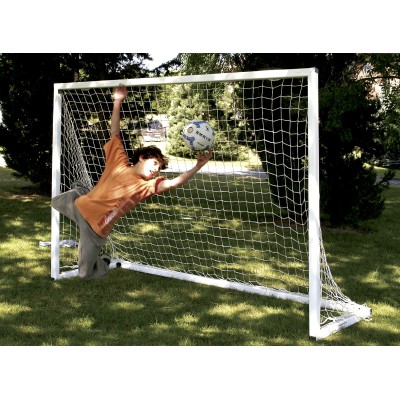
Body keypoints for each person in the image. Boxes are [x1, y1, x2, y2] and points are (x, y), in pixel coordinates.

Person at [51, 84, 213, 280]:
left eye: (159, 169)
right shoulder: (118, 162)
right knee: (55, 201)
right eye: (154, 163)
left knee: (85, 274)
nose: (156, 169)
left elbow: (173, 183)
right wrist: (117, 100)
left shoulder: (146, 187)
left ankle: (104, 261)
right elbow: (114, 132)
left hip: (95, 230)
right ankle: (81, 190)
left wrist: (198, 166)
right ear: (142, 158)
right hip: (79, 206)